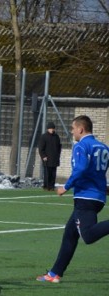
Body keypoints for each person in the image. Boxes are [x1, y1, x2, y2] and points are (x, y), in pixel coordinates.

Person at [37, 115, 109, 283]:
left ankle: (55, 273)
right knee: (70, 234)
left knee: (88, 236)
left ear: (81, 129)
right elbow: (98, 171)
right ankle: (55, 273)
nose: (71, 132)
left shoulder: (81, 146)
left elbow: (82, 168)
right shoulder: (103, 147)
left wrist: (65, 186)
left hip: (86, 197)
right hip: (98, 196)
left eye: (72, 128)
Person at [38, 121, 62, 191]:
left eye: (53, 128)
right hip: (47, 159)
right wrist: (43, 156)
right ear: (48, 129)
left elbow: (59, 147)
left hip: (54, 158)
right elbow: (41, 148)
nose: (52, 130)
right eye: (50, 128)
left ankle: (52, 186)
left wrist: (58, 155)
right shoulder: (44, 137)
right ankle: (46, 186)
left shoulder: (56, 137)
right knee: (47, 173)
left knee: (53, 173)